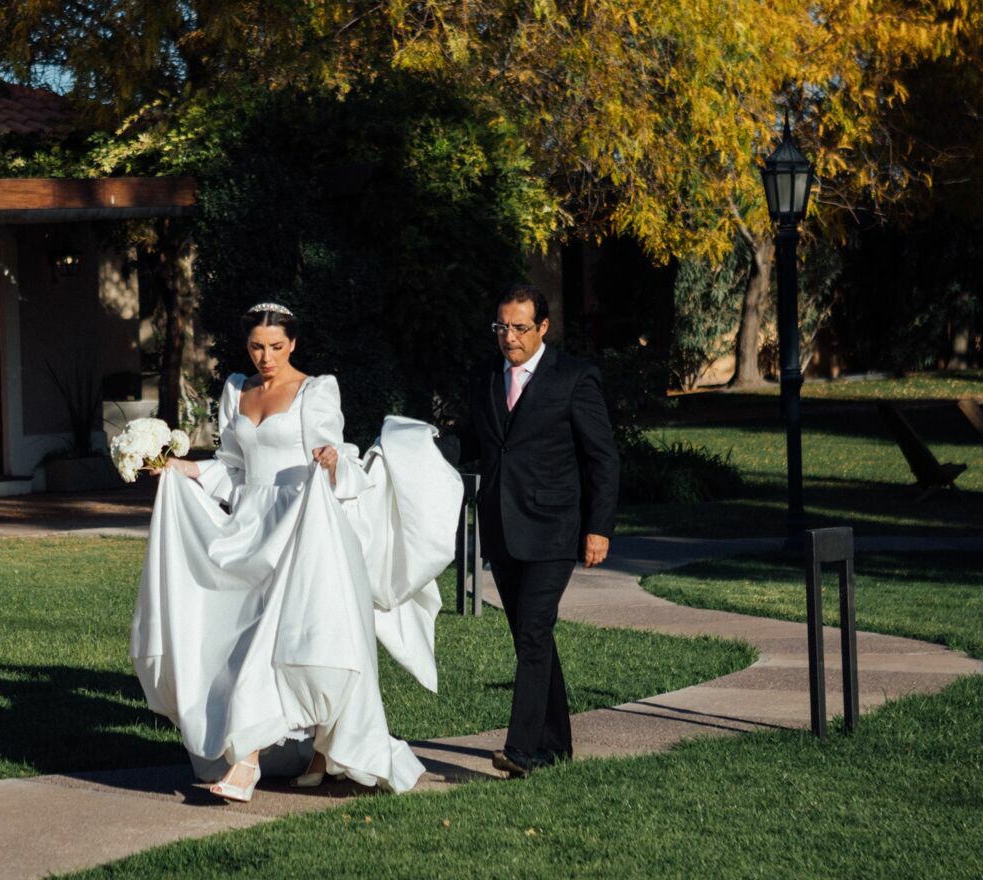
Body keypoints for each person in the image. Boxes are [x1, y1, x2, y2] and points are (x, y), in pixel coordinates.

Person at [130, 302, 462, 803]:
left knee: (276, 642)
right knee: (237, 641)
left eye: (277, 347)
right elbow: (232, 467)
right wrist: (184, 470)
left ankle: (247, 763)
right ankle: (319, 755)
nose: (266, 357)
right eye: (257, 347)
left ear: (294, 344)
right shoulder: (236, 390)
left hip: (303, 529)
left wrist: (330, 461)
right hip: (248, 529)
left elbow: (338, 460)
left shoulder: (316, 390)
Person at [462, 282, 620, 777]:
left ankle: (522, 749)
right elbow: (470, 445)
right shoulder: (486, 376)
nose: (509, 337)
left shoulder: (574, 377)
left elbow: (603, 457)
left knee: (533, 633)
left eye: (520, 328)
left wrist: (598, 528)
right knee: (533, 638)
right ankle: (558, 744)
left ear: (543, 327)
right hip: (502, 529)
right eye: (501, 327)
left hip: (554, 529)